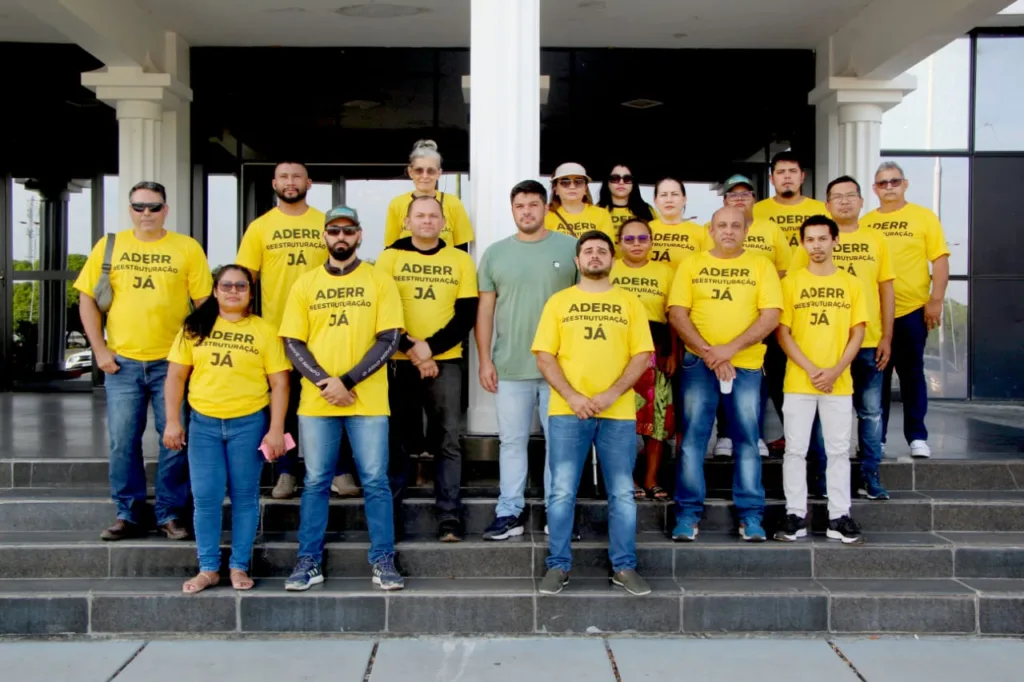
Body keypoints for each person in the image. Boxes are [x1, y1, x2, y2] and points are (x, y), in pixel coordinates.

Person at [74, 180, 212, 542]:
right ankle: (128, 514)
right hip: (123, 363)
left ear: (166, 209)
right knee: (122, 441)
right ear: (130, 210)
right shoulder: (110, 245)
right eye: (139, 207)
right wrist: (99, 350)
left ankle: (169, 513)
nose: (146, 213)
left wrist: (198, 353)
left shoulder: (186, 247)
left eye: (154, 207)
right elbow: (87, 299)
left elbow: (204, 305)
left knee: (175, 439)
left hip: (173, 363)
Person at [277, 205, 404, 591]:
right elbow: (292, 342)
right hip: (317, 404)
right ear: (324, 236)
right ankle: (308, 560)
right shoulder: (305, 284)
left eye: (349, 231)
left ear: (360, 236)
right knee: (315, 481)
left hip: (368, 402)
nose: (341, 237)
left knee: (375, 481)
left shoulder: (379, 280)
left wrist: (346, 381)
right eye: (334, 231)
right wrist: (324, 383)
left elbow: (390, 339)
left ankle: (383, 558)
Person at [533, 230, 654, 596]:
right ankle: (558, 566)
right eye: (589, 251)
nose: (596, 256)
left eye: (603, 251)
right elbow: (544, 355)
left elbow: (641, 355)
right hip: (568, 410)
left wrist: (611, 394)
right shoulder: (559, 302)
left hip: (616, 412)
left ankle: (624, 567)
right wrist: (572, 396)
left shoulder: (630, 302)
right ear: (577, 260)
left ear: (612, 259)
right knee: (562, 491)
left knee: (621, 492)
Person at [163, 265, 291, 593]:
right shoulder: (194, 327)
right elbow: (176, 376)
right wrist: (173, 421)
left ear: (251, 292)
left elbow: (279, 383)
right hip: (204, 424)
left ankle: (238, 566)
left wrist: (276, 429)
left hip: (248, 423)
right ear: (216, 290)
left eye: (241, 286)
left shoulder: (264, 330)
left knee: (245, 498)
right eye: (226, 285)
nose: (233, 291)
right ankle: (208, 568)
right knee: (205, 498)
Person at [235, 161, 356, 500]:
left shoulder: (324, 224)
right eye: (284, 177)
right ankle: (286, 471)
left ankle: (339, 470)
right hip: (278, 332)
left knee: (330, 399)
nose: (290, 183)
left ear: (309, 182)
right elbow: (246, 279)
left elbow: (343, 269)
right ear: (274, 182)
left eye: (297, 177)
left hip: (323, 331)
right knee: (283, 406)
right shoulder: (260, 227)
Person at [668, 206, 782, 542]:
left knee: (747, 440)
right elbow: (677, 314)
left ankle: (752, 515)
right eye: (722, 225)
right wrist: (711, 353)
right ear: (711, 230)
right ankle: (687, 514)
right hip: (698, 365)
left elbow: (771, 315)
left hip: (745, 366)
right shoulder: (692, 264)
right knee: (692, 441)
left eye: (736, 225)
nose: (729, 230)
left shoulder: (761, 265)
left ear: (746, 230)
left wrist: (727, 351)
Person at [477, 180, 578, 541]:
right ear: (512, 209)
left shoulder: (571, 249)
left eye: (534, 205)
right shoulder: (495, 253)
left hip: (562, 370)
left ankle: (559, 511)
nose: (527, 212)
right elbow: (485, 310)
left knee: (560, 444)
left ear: (546, 207)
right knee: (512, 442)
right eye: (520, 206)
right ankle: (509, 511)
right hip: (510, 365)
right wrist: (484, 360)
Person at [376, 195, 478, 542]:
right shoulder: (389, 258)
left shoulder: (461, 260)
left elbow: (465, 315)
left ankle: (449, 517)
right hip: (398, 360)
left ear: (444, 222)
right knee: (397, 441)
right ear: (406, 222)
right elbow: (381, 312)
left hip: (446, 361)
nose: (427, 221)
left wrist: (430, 349)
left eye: (434, 216)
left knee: (448, 439)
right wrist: (414, 351)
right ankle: (388, 519)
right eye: (419, 215)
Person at [791, 176, 895, 500]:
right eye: (837, 196)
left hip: (867, 342)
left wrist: (887, 336)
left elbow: (885, 289)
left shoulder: (876, 240)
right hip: (826, 349)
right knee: (824, 418)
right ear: (827, 204)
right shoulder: (812, 241)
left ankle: (870, 476)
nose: (845, 201)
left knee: (870, 413)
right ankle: (821, 481)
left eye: (851, 195)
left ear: (862, 201)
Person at [775, 216, 868, 545]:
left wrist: (836, 369)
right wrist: (813, 369)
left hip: (838, 382)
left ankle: (839, 516)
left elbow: (858, 331)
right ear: (803, 244)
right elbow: (782, 333)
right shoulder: (791, 283)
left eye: (822, 239)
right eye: (810, 239)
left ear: (834, 241)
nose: (816, 245)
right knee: (795, 452)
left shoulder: (851, 283)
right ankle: (795, 515)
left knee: (839, 451)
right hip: (799, 381)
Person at [862, 161, 950, 458]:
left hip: (912, 309)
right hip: (875, 312)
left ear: (905, 184)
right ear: (875, 189)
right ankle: (879, 436)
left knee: (912, 373)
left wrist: (935, 299)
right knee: (878, 376)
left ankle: (917, 436)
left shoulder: (924, 217)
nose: (889, 187)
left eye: (894, 181)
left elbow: (939, 260)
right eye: (883, 183)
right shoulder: (866, 223)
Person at [708, 174, 791, 459]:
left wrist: (760, 289)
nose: (739, 198)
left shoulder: (771, 229)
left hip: (762, 318)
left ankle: (755, 433)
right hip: (722, 316)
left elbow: (784, 269)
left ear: (754, 199)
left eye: (745, 194)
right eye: (733, 194)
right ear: (725, 200)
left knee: (759, 379)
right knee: (721, 372)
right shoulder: (714, 232)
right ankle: (725, 434)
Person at [610, 219, 676, 500]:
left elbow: (674, 315)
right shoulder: (609, 270)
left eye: (642, 238)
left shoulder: (666, 272)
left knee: (656, 420)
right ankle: (627, 479)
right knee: (623, 421)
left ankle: (650, 478)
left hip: (656, 351)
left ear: (651, 241)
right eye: (629, 239)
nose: (636, 244)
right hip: (617, 354)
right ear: (619, 242)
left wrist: (673, 352)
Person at [383, 139, 474, 249]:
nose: (425, 176)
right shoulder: (397, 204)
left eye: (431, 171)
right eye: (419, 170)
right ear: (410, 172)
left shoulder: (454, 203)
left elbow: (462, 248)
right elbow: (390, 247)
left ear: (439, 173)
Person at [754, 151, 829, 251]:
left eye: (793, 171)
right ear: (771, 179)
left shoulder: (823, 210)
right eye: (781, 172)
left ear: (802, 177)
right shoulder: (755, 211)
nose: (787, 176)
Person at [544, 162, 616, 241]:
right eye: (565, 182)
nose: (572, 186)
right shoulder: (545, 216)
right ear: (556, 189)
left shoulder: (602, 215)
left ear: (585, 188)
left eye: (578, 182)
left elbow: (608, 248)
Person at [648, 176, 707, 268]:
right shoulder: (645, 230)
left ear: (684, 199)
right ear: (655, 201)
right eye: (663, 195)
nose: (669, 200)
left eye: (674, 194)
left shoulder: (702, 233)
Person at [596, 163, 655, 233]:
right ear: (607, 182)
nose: (621, 182)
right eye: (615, 178)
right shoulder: (596, 211)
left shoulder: (647, 210)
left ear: (633, 183)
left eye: (627, 179)